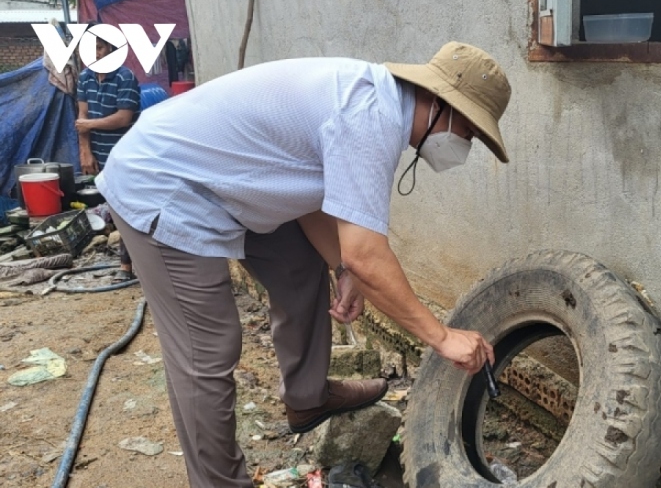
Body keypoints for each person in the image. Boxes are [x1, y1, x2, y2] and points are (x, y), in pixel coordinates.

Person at [95, 41, 512, 487]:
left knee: (298, 266)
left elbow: (310, 192)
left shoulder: (375, 102)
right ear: (441, 104)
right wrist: (442, 337)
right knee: (207, 350)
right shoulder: (369, 117)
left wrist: (341, 269)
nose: (464, 145)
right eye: (468, 132)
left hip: (227, 183)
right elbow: (367, 256)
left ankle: (307, 397)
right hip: (162, 183)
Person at [74, 27, 139, 282]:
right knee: (115, 207)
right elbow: (82, 116)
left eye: (99, 48)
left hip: (125, 155)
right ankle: (128, 262)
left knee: (128, 208)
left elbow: (123, 118)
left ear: (110, 49)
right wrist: (85, 151)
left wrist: (88, 125)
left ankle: (127, 266)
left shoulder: (125, 77)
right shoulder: (85, 77)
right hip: (100, 156)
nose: (95, 54)